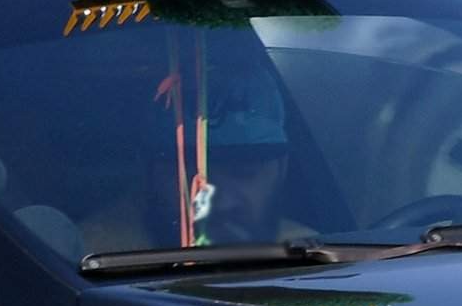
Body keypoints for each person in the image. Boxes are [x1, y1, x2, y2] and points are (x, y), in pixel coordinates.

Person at [80, 56, 314, 253]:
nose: (219, 202)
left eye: (244, 174)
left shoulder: (312, 259)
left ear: (281, 170)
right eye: (190, 175)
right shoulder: (88, 258)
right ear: (149, 174)